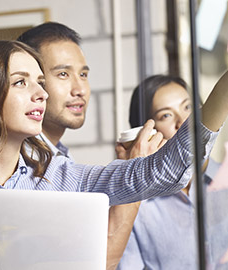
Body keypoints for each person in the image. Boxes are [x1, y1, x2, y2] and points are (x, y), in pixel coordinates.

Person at [0, 29, 228, 268]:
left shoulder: (63, 177)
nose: (40, 92)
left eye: (41, 81)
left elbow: (167, 171)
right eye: (21, 82)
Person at [17, 22, 155, 269]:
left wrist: (126, 168)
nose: (80, 89)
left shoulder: (57, 156)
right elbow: (100, 263)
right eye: (63, 74)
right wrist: (137, 171)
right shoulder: (26, 165)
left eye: (83, 74)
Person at [117, 73, 228, 269]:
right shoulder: (139, 211)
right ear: (146, 135)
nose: (185, 122)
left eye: (188, 107)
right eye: (166, 115)